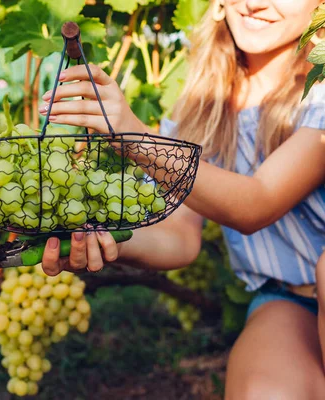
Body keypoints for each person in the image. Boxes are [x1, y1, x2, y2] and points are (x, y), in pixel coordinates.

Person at [38, 0, 325, 398]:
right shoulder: (200, 106)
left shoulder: (321, 90)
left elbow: (256, 203)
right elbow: (179, 235)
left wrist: (133, 136)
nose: (257, 3)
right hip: (290, 299)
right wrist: (95, 235)